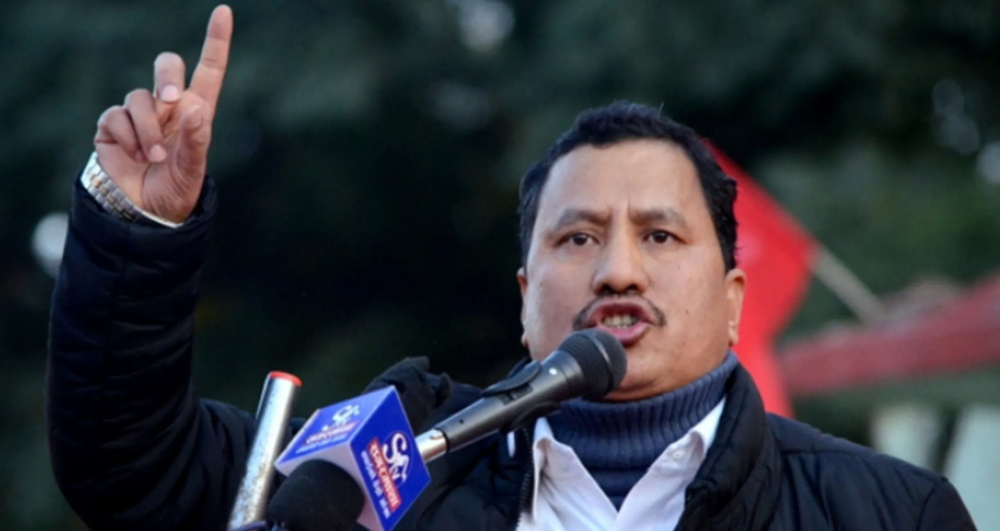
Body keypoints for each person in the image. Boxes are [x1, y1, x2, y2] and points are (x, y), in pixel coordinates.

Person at [46, 5, 976, 531]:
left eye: (660, 237)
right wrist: (140, 228)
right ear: (527, 301)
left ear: (734, 300)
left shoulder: (891, 511)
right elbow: (131, 468)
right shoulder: (396, 466)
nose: (617, 270)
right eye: (577, 238)